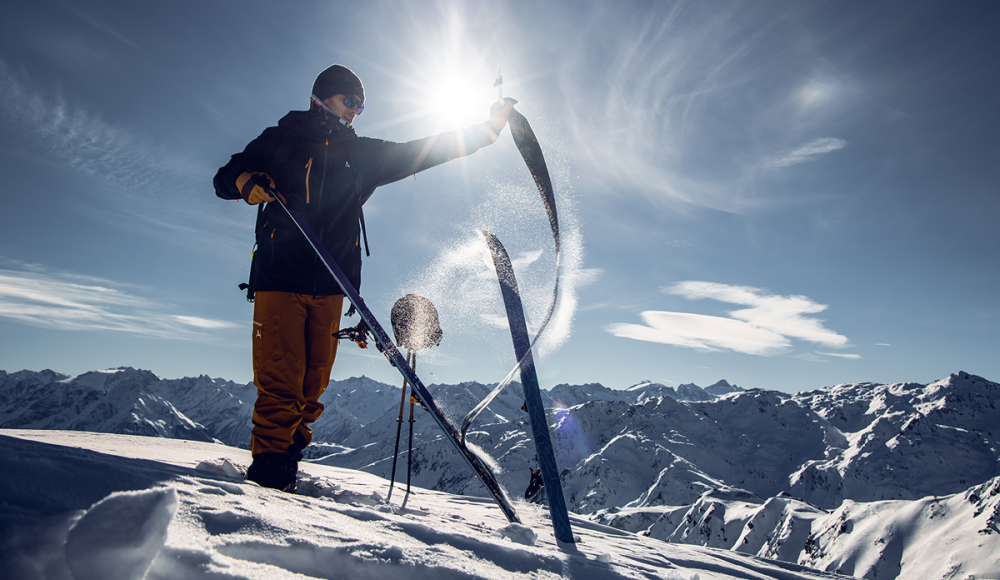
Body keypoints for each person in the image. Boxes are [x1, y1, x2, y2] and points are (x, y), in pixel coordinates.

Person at [214, 64, 515, 491]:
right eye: (349, 101)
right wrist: (246, 181)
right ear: (322, 97)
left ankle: (289, 460)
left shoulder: (362, 155)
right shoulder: (280, 139)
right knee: (281, 377)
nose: (356, 111)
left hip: (331, 283)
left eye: (362, 105)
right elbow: (224, 176)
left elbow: (424, 149)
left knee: (312, 382)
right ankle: (269, 469)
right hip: (281, 276)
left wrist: (487, 131)